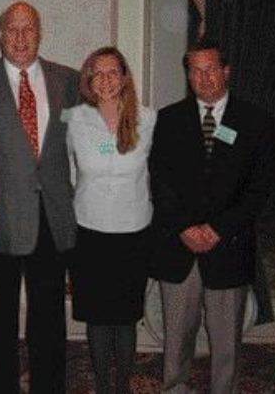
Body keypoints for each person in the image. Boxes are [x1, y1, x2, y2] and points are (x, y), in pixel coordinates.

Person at [0, 0, 78, 393]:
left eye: (28, 28)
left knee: (49, 319)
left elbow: (92, 139)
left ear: (40, 32)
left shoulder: (70, 81)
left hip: (53, 216)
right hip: (0, 219)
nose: (20, 37)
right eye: (11, 29)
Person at [149, 39, 274, 394]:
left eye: (210, 69)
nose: (202, 78)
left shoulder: (255, 122)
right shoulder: (169, 119)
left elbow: (259, 188)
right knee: (176, 342)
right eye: (195, 71)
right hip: (179, 247)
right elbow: (161, 182)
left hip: (229, 246)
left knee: (226, 345)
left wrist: (218, 229)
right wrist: (185, 227)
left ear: (226, 72)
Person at [63, 47, 155, 394]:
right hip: (89, 233)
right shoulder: (72, 119)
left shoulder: (149, 120)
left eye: (112, 72)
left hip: (133, 233)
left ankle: (122, 385)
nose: (105, 80)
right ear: (88, 79)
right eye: (97, 73)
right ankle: (103, 386)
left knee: (126, 317)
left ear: (124, 76)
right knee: (97, 317)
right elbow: (42, 142)